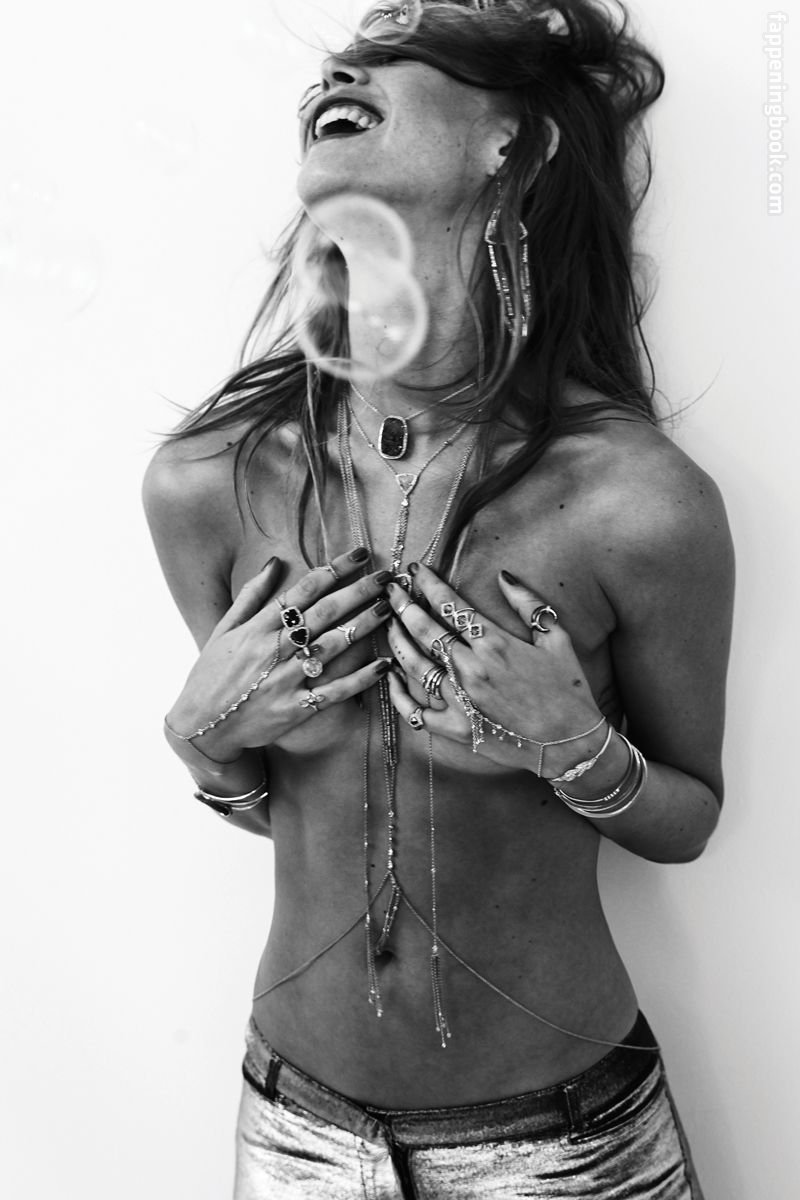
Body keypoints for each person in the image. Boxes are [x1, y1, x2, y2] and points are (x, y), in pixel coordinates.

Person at [143, 2, 733, 1196]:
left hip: (566, 1148)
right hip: (294, 1133)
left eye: (396, 52)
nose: (343, 67)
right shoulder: (208, 481)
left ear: (512, 141)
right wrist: (202, 742)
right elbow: (291, 805)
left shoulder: (634, 504)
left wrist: (572, 748)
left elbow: (686, 821)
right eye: (343, 59)